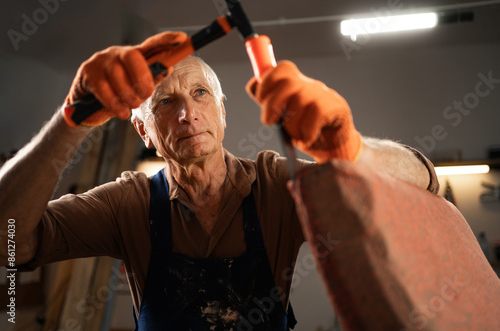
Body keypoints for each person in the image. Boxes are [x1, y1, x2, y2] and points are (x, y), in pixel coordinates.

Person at [0, 31, 438, 330]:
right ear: (144, 132)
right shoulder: (128, 204)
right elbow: (11, 241)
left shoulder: (275, 186)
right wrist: (70, 123)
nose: (187, 113)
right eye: (165, 102)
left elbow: (421, 181)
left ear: (223, 111)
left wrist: (352, 151)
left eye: (200, 94)